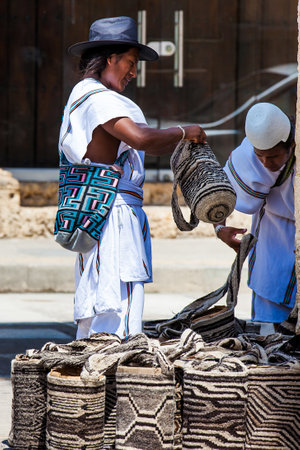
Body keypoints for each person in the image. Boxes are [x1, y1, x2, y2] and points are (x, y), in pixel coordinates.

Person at [59, 16, 206, 340]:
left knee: (103, 306)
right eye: (131, 61)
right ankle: (111, 383)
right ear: (110, 58)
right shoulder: (96, 98)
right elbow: (142, 139)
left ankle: (97, 383)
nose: (134, 72)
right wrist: (185, 132)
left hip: (108, 214)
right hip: (113, 219)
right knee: (116, 312)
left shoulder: (90, 95)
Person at [214, 102, 296, 330]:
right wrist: (220, 228)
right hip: (272, 246)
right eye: (261, 156)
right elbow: (222, 191)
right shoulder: (248, 155)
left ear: (290, 146)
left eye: (273, 157)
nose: (266, 163)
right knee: (269, 335)